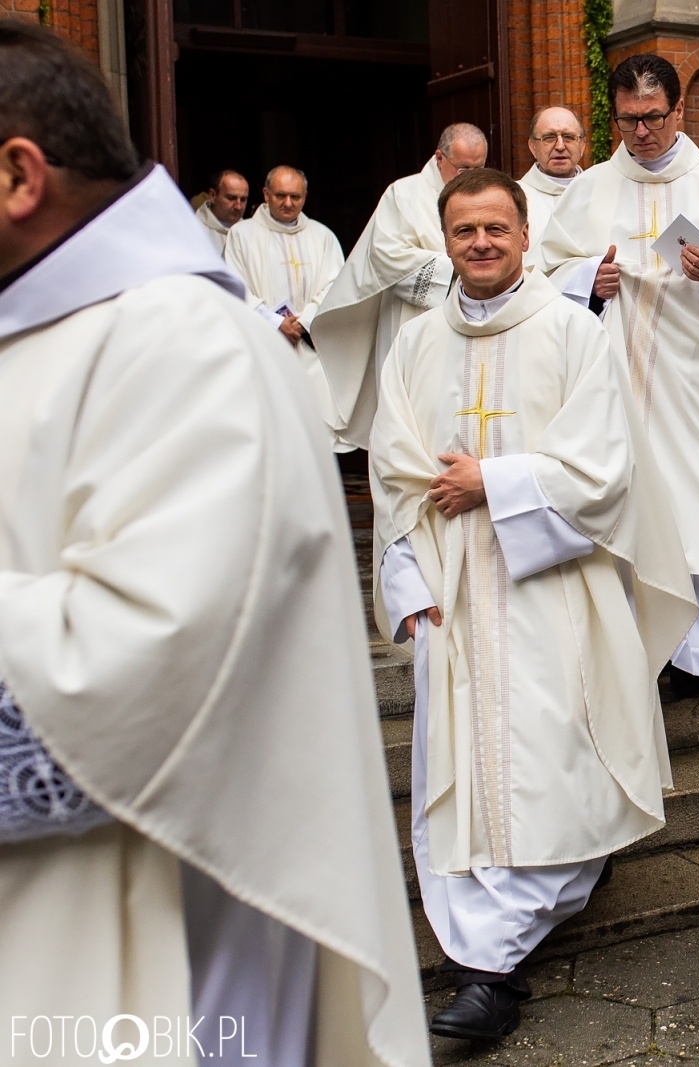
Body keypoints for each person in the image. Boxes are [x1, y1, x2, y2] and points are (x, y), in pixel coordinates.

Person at [0, 20, 428, 1066]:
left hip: (155, 966)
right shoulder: (54, 330)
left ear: (16, 176)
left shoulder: (183, 344)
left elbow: (134, 683)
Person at [370, 167, 697, 1040]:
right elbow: (391, 471)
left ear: (524, 235)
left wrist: (496, 480)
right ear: (446, 241)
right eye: (464, 230)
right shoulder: (415, 341)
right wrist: (406, 586)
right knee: (467, 769)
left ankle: (491, 959)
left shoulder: (571, 330)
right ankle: (489, 953)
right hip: (451, 589)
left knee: (551, 760)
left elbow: (604, 465)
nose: (481, 243)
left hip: (549, 583)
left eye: (495, 228)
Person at [541, 54, 699, 699]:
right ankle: (634, 651)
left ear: (679, 110)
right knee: (624, 503)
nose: (642, 132)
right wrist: (587, 280)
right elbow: (546, 279)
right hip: (615, 383)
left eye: (654, 117)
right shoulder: (587, 191)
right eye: (629, 120)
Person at [314, 122, 488, 449]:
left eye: (480, 168)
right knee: (412, 411)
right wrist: (452, 268)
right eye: (464, 169)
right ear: (439, 158)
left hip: (471, 315)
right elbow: (384, 255)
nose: (472, 178)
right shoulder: (403, 194)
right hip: (412, 317)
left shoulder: (484, 197)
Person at [224, 166, 345, 350]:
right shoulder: (241, 235)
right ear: (266, 194)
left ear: (305, 196)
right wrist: (275, 322)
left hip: (311, 343)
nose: (288, 203)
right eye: (280, 195)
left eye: (295, 197)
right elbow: (235, 286)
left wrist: (304, 321)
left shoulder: (323, 236)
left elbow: (335, 285)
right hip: (263, 342)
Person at [518, 105, 586, 260]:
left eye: (569, 137)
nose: (560, 146)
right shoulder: (513, 196)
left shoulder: (601, 191)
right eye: (549, 138)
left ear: (582, 146)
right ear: (533, 147)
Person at [195, 167, 248, 253]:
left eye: (243, 199)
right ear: (213, 195)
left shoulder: (250, 231)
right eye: (231, 198)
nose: (238, 206)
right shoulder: (194, 230)